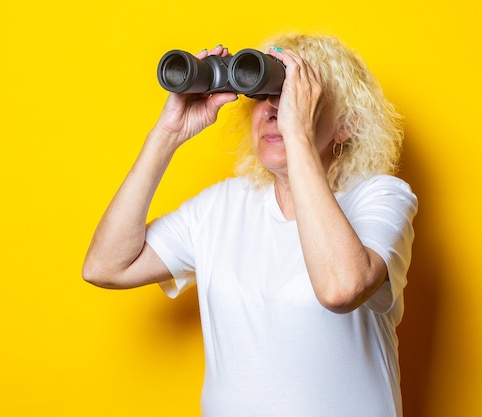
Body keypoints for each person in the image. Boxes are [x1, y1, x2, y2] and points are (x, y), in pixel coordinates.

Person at [82, 33, 418, 417]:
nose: (274, 110)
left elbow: (340, 288)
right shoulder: (222, 205)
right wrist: (167, 135)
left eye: (294, 96)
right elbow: (105, 267)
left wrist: (299, 138)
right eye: (264, 94)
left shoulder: (380, 197)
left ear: (346, 124)